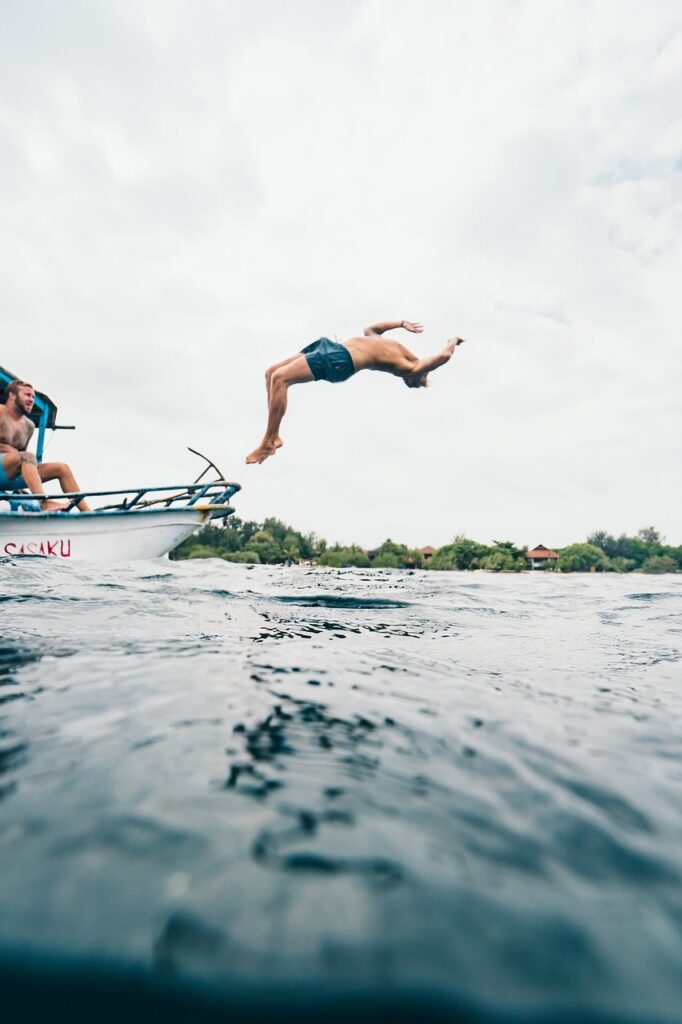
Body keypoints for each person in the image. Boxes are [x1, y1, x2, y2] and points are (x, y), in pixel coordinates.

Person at [246, 320, 465, 465]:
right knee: (271, 373)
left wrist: (452, 341)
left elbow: (444, 357)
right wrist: (401, 323)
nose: (406, 380)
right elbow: (371, 329)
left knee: (280, 379)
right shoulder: (389, 345)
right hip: (332, 348)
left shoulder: (412, 368)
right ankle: (273, 437)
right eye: (410, 383)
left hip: (341, 361)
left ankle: (269, 441)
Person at [0, 379, 91, 511]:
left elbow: (20, 457)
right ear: (12, 395)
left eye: (33, 396)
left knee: (62, 468)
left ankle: (87, 513)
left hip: (9, 474)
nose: (31, 399)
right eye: (27, 395)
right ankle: (43, 503)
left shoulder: (29, 426)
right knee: (27, 456)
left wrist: (20, 490)